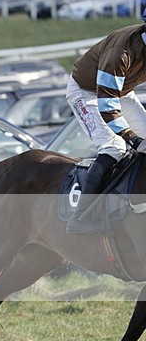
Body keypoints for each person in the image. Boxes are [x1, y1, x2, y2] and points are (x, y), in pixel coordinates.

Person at [65, 14, 146, 233]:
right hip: (87, 92)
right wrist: (133, 139)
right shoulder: (121, 53)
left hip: (121, 91)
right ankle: (80, 216)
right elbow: (108, 106)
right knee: (114, 147)